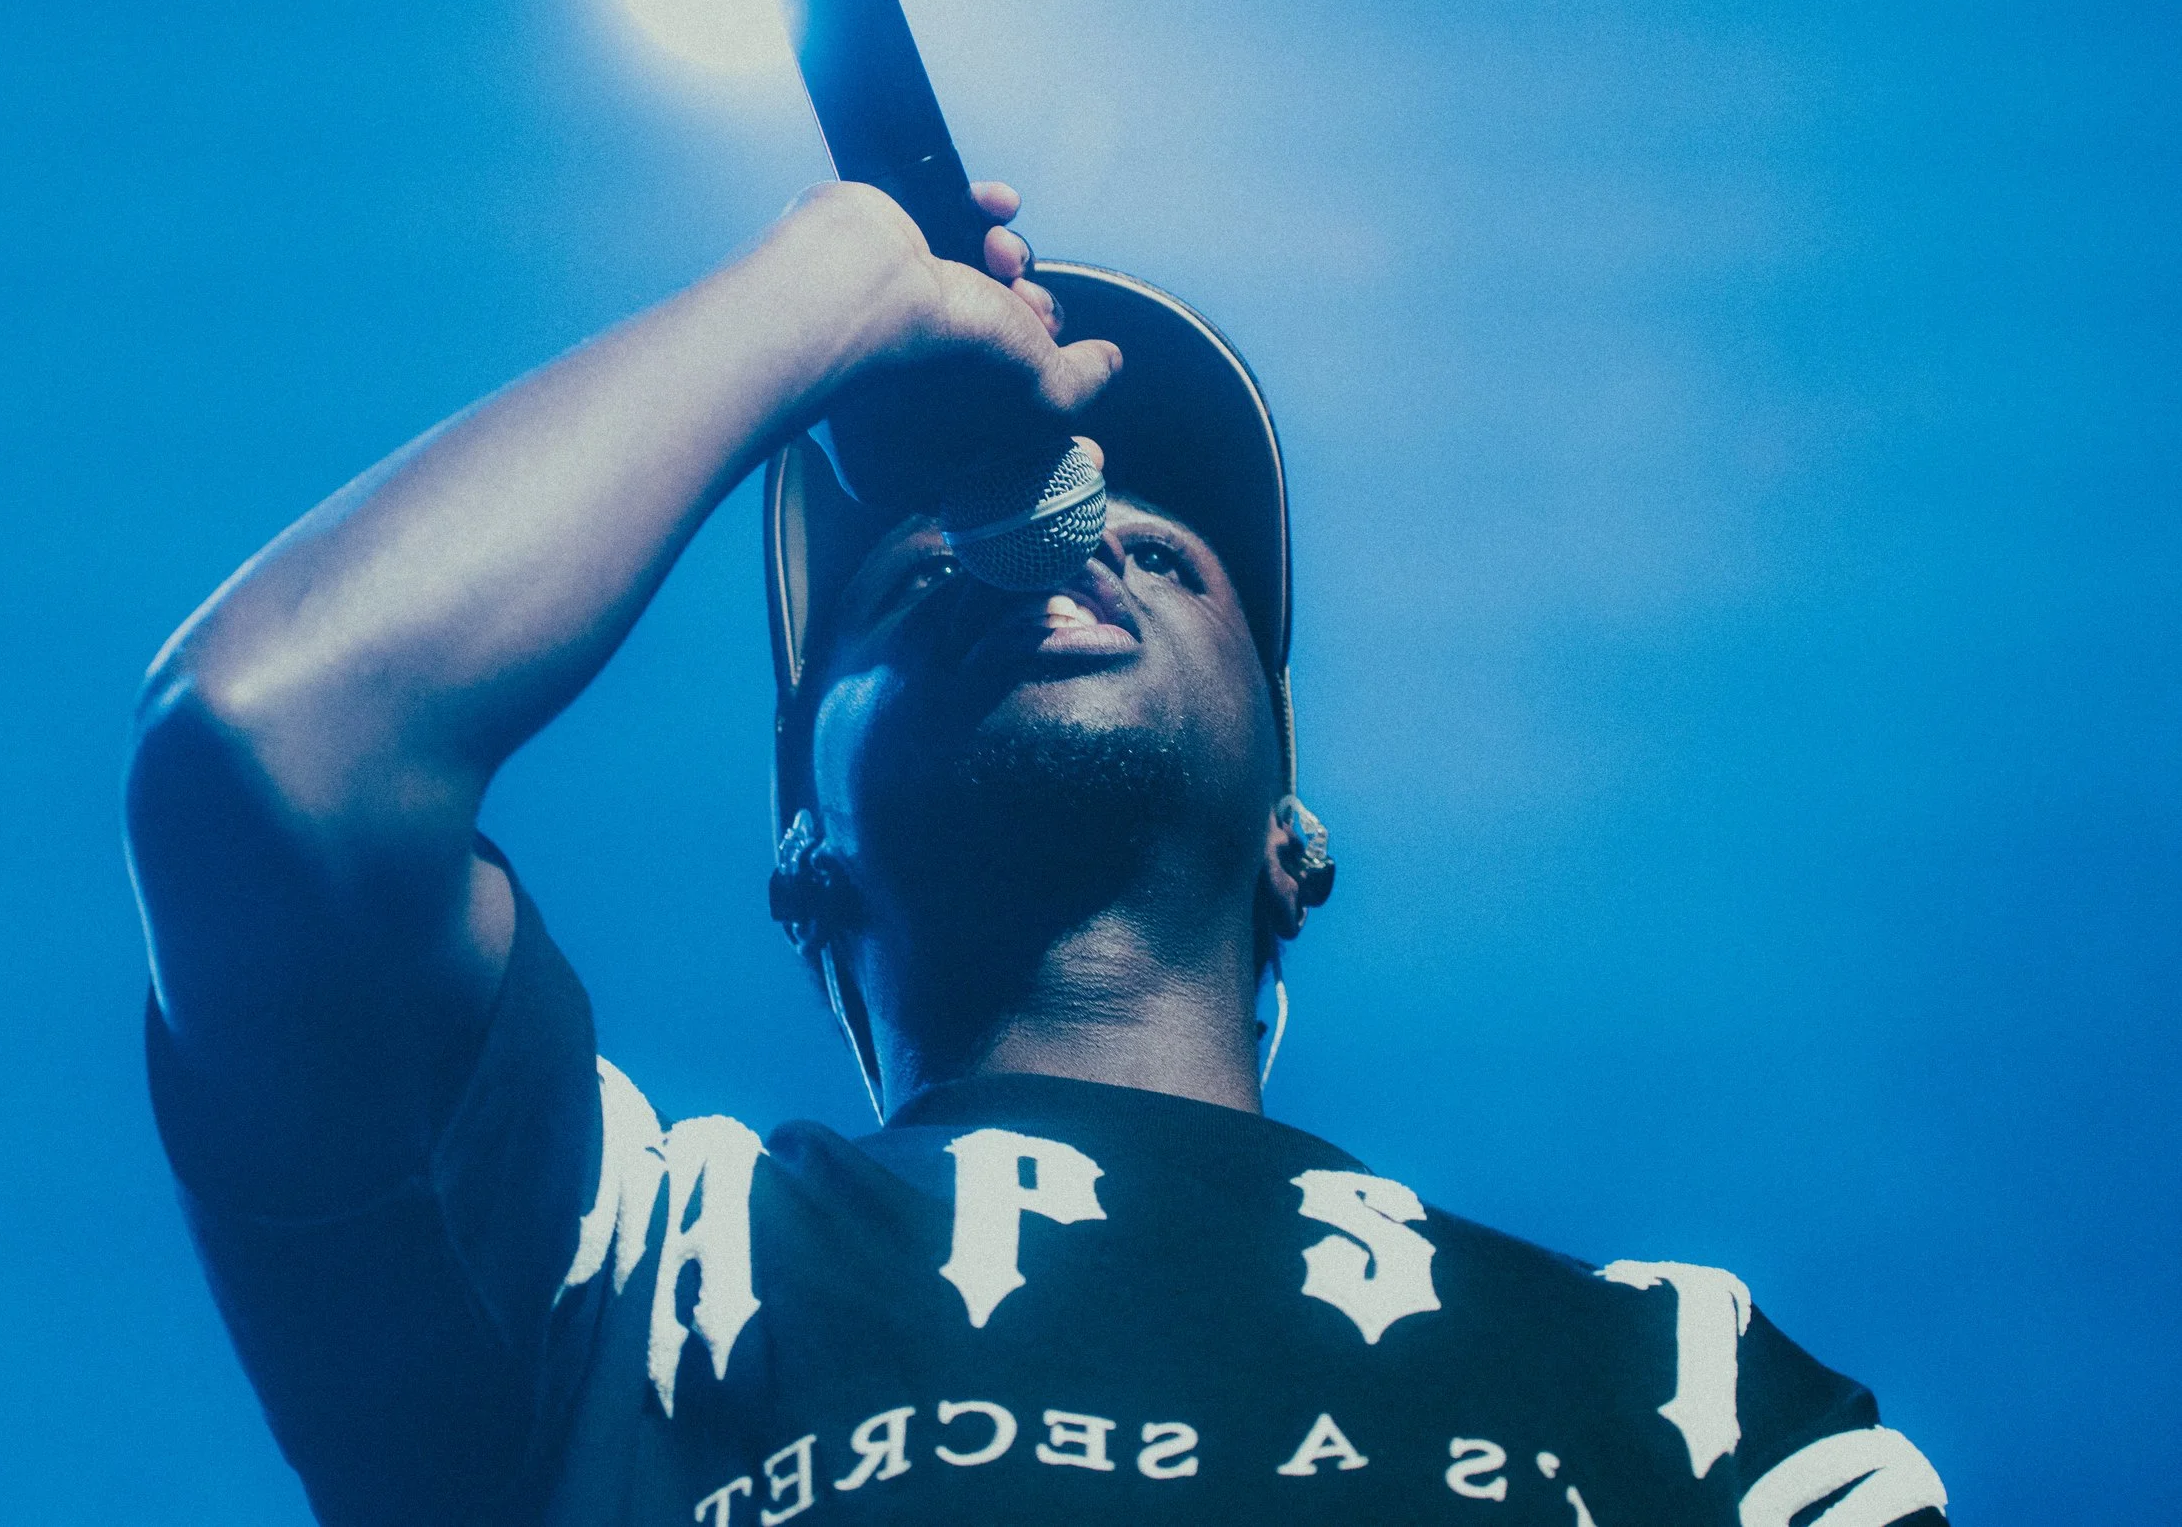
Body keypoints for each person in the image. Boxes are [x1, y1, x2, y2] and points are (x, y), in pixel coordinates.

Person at [123, 180, 1948, 1527]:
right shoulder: (629, 1269)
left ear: (1294, 841)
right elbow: (275, 745)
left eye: (1159, 546)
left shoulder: (1690, 1385)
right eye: (923, 570)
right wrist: (830, 294)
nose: (1066, 541)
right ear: (805, 853)